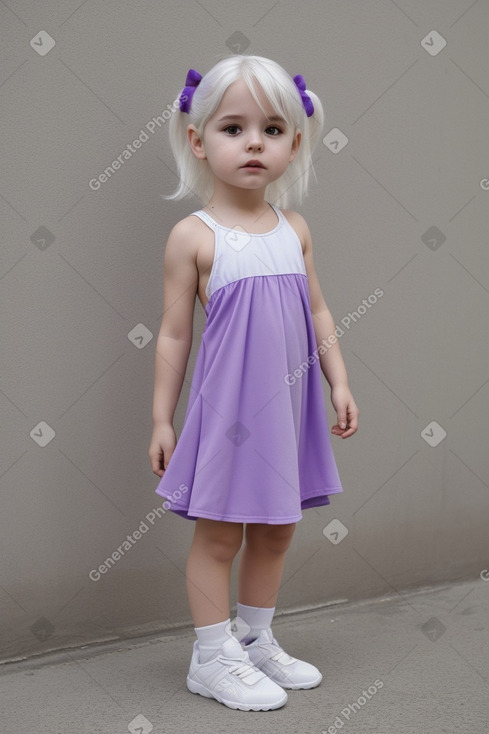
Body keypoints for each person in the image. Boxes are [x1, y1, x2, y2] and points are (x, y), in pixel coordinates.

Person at [148, 55, 359, 711]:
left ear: (294, 143)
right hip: (229, 413)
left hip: (285, 413)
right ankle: (211, 657)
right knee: (218, 535)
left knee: (276, 529)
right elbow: (174, 334)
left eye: (271, 129)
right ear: (197, 140)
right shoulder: (194, 237)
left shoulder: (293, 229)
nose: (252, 144)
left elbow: (318, 309)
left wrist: (338, 381)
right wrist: (161, 419)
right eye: (233, 128)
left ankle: (252, 636)